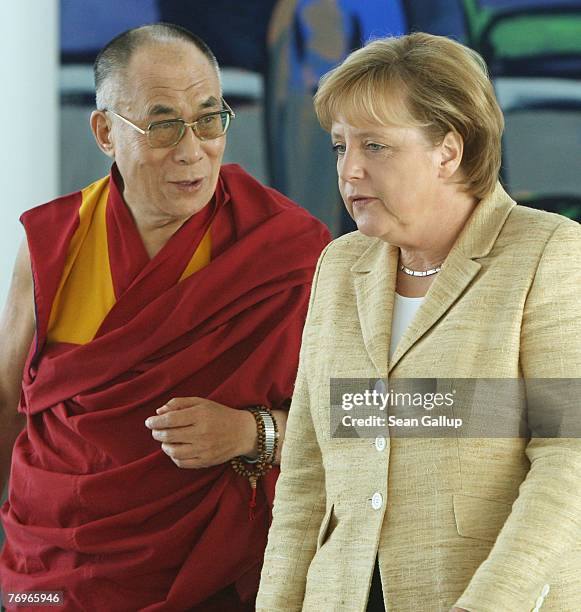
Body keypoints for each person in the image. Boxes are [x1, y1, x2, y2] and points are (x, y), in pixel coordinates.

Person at [0, 23, 330, 612]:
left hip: (211, 570)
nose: (191, 149)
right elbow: (7, 401)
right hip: (52, 567)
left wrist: (252, 433)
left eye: (209, 119)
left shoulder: (285, 250)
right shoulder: (53, 244)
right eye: (162, 125)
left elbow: (362, 416)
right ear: (105, 132)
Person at [256, 33, 581, 611]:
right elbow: (306, 473)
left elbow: (568, 463)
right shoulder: (339, 265)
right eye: (339, 147)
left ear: (448, 151)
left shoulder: (548, 253)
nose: (350, 169)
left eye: (375, 146)